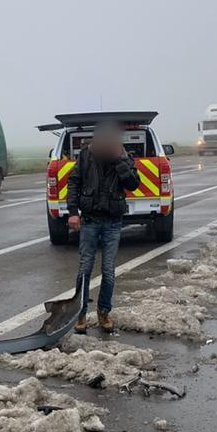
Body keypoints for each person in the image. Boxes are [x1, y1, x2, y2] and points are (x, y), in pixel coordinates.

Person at [67, 121, 140, 333]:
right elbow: (74, 182)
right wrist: (73, 212)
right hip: (90, 220)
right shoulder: (86, 156)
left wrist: (119, 160)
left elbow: (133, 184)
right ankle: (79, 314)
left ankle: (103, 312)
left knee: (108, 270)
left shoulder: (123, 157)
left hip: (113, 222)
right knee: (85, 268)